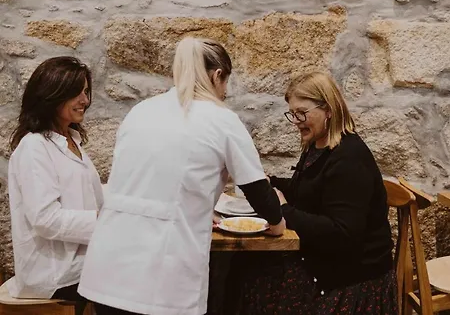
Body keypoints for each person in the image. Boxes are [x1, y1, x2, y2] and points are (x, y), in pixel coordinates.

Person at [78, 37, 285, 315]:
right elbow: (257, 189)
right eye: (225, 83)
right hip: (161, 270)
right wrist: (277, 222)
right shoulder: (222, 119)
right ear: (217, 76)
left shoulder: (141, 111)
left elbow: (148, 178)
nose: (224, 92)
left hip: (109, 262)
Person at [226, 71, 397, 314]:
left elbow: (342, 234)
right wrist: (268, 183)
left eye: (302, 113)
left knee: (254, 281)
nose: (296, 121)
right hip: (325, 261)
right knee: (244, 265)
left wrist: (284, 211)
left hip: (349, 277)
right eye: (292, 114)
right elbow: (308, 189)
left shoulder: (349, 158)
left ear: (328, 109)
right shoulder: (318, 145)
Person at [7, 56, 104, 315]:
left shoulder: (72, 141)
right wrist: (104, 221)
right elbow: (45, 219)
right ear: (51, 95)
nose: (85, 100)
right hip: (54, 273)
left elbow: (88, 196)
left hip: (83, 262)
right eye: (76, 92)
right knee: (135, 279)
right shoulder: (34, 147)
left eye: (86, 91)